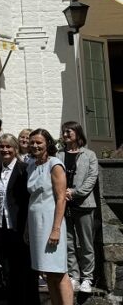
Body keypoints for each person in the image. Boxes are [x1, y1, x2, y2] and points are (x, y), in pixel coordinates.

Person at [26, 129, 75, 305]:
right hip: (36, 224)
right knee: (49, 275)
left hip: (51, 223)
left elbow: (61, 198)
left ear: (47, 143)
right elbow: (33, 199)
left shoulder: (55, 164)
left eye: (39, 142)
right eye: (32, 142)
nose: (35, 146)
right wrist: (28, 227)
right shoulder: (31, 165)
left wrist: (56, 229)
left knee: (60, 274)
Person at [0, 134, 41, 305]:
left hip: (21, 228)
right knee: (11, 272)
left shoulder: (23, 170)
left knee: (26, 273)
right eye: (2, 147)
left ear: (15, 149)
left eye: (8, 147)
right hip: (3, 227)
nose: (5, 150)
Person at [58, 121, 99, 294]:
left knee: (86, 242)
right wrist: (62, 193)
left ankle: (87, 278)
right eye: (64, 132)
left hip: (83, 204)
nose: (66, 134)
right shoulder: (58, 155)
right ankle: (74, 275)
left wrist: (74, 192)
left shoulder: (89, 155)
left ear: (78, 133)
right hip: (64, 204)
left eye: (69, 131)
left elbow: (92, 178)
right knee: (68, 242)